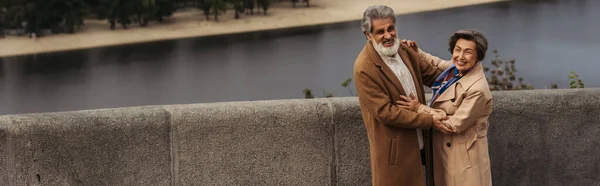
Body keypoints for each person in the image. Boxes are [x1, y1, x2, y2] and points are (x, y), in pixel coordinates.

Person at [353, 5, 452, 186]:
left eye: (391, 28)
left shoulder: (404, 50)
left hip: (423, 145)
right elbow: (385, 112)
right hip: (396, 152)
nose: (388, 36)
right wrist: (428, 120)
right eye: (380, 32)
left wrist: (465, 71)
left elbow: (433, 77)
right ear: (368, 36)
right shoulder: (364, 68)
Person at [397, 29, 493, 186]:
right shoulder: (456, 69)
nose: (460, 56)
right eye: (457, 50)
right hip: (449, 152)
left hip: (465, 159)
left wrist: (419, 108)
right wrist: (416, 50)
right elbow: (436, 62)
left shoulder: (478, 89)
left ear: (478, 56)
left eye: (468, 52)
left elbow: (453, 125)